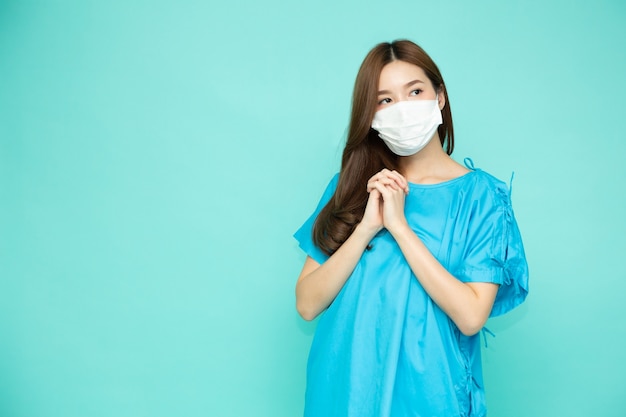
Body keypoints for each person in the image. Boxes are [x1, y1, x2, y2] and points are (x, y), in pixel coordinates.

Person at [293, 40, 529, 417]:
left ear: (440, 97)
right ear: (369, 116)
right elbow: (307, 304)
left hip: (431, 396)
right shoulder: (353, 187)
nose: (401, 109)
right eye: (384, 100)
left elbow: (471, 317)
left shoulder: (481, 196)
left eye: (415, 91)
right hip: (343, 391)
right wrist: (367, 228)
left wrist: (400, 228)